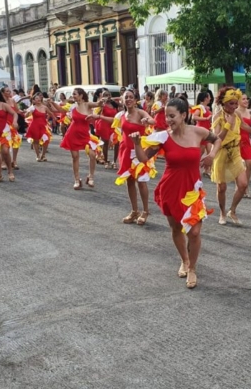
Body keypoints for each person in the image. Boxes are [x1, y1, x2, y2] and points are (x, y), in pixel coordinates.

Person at [131, 98, 222, 289]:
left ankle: (193, 268)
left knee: (195, 232)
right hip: (170, 188)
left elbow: (217, 139)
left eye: (172, 116)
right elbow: (142, 159)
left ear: (183, 115)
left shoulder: (198, 132)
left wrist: (212, 155)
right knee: (176, 228)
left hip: (192, 190)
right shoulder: (162, 137)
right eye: (166, 117)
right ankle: (185, 260)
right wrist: (137, 144)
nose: (169, 120)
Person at [211, 87, 251, 225]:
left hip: (235, 151)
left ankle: (233, 210)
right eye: (231, 103)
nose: (235, 106)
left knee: (243, 184)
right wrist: (227, 125)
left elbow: (242, 125)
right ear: (224, 103)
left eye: (236, 103)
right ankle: (222, 212)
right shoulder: (217, 116)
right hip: (221, 152)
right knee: (222, 187)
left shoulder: (236, 115)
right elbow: (216, 139)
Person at [116, 89, 156, 225]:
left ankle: (145, 211)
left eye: (131, 97)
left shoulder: (140, 113)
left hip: (139, 151)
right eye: (126, 97)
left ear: (135, 100)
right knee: (130, 181)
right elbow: (119, 129)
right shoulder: (122, 114)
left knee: (141, 181)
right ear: (122, 100)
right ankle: (134, 211)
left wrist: (147, 120)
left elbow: (153, 120)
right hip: (126, 151)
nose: (128, 99)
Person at [59, 88, 102, 189]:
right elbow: (60, 109)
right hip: (72, 134)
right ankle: (77, 179)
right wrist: (51, 103)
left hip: (85, 134)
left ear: (81, 95)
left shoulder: (87, 104)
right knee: (75, 157)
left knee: (92, 154)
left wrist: (101, 101)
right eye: (73, 94)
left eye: (75, 94)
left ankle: (91, 177)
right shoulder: (72, 106)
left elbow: (98, 104)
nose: (73, 96)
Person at [24, 92, 55, 162]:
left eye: (39, 98)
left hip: (43, 125)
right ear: (33, 100)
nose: (38, 99)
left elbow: (51, 113)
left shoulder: (44, 107)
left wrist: (53, 119)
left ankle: (43, 155)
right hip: (35, 125)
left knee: (46, 140)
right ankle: (38, 155)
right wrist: (28, 112)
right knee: (36, 141)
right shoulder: (32, 107)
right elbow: (25, 115)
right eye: (36, 98)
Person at [93, 89, 119, 169]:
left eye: (108, 95)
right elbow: (96, 114)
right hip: (104, 125)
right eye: (105, 95)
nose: (107, 96)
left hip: (114, 125)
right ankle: (106, 160)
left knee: (116, 143)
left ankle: (115, 161)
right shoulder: (101, 104)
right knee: (105, 144)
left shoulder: (114, 104)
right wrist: (101, 105)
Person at [2, 86, 24, 170]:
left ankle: (14, 161)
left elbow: (17, 111)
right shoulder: (0, 102)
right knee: (4, 144)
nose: (9, 93)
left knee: (16, 142)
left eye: (9, 91)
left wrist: (22, 113)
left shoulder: (12, 100)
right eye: (7, 91)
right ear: (3, 93)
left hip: (13, 124)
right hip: (4, 125)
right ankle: (3, 161)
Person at [191, 92, 213, 174]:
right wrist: (206, 118)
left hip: (207, 132)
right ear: (205, 98)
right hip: (201, 132)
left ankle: (207, 170)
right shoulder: (200, 107)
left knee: (210, 151)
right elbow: (194, 117)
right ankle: (193, 167)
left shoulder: (206, 108)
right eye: (209, 97)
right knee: (201, 151)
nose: (210, 98)